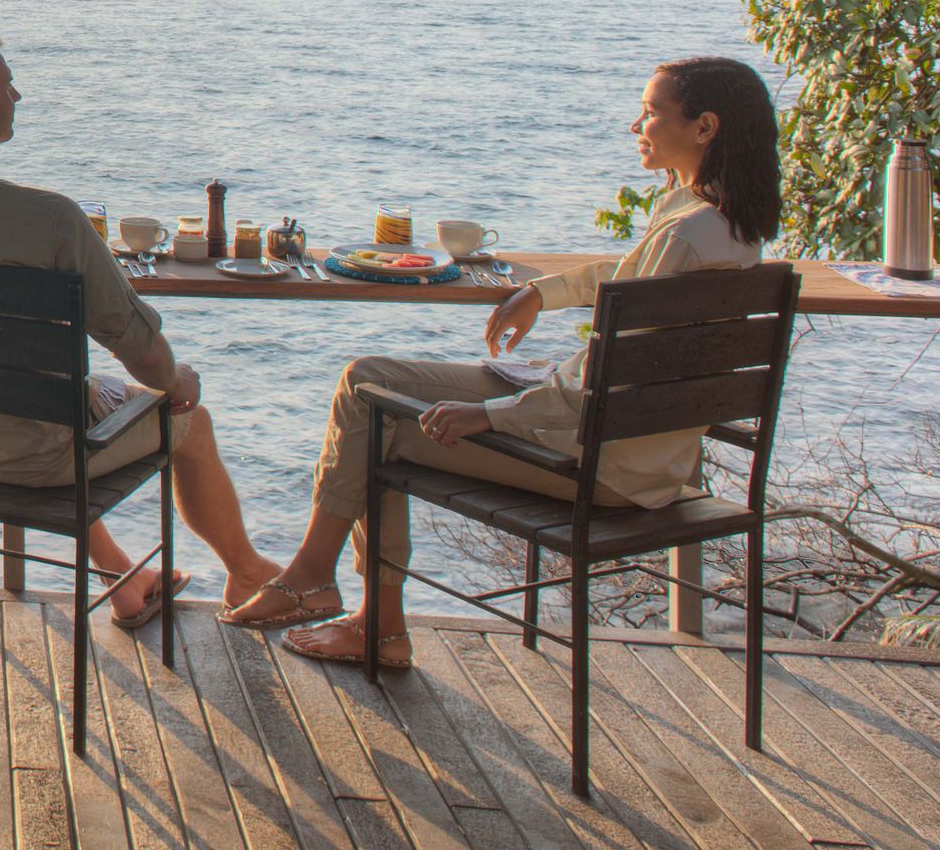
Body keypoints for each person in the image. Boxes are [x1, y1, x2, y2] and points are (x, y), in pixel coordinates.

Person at [225, 54, 786, 669]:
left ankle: (356, 610)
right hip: (649, 458)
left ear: (704, 127)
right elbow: (629, 285)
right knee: (367, 379)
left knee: (376, 421)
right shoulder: (721, 224)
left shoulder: (685, 232)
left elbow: (608, 378)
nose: (636, 126)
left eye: (650, 113)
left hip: (604, 465)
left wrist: (491, 415)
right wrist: (543, 291)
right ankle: (334, 595)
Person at [0, 24, 278, 626]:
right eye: (7, 84)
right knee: (188, 423)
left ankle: (124, 580)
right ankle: (247, 571)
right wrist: (179, 381)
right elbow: (145, 355)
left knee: (41, 405)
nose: (17, 95)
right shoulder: (50, 220)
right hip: (38, 462)